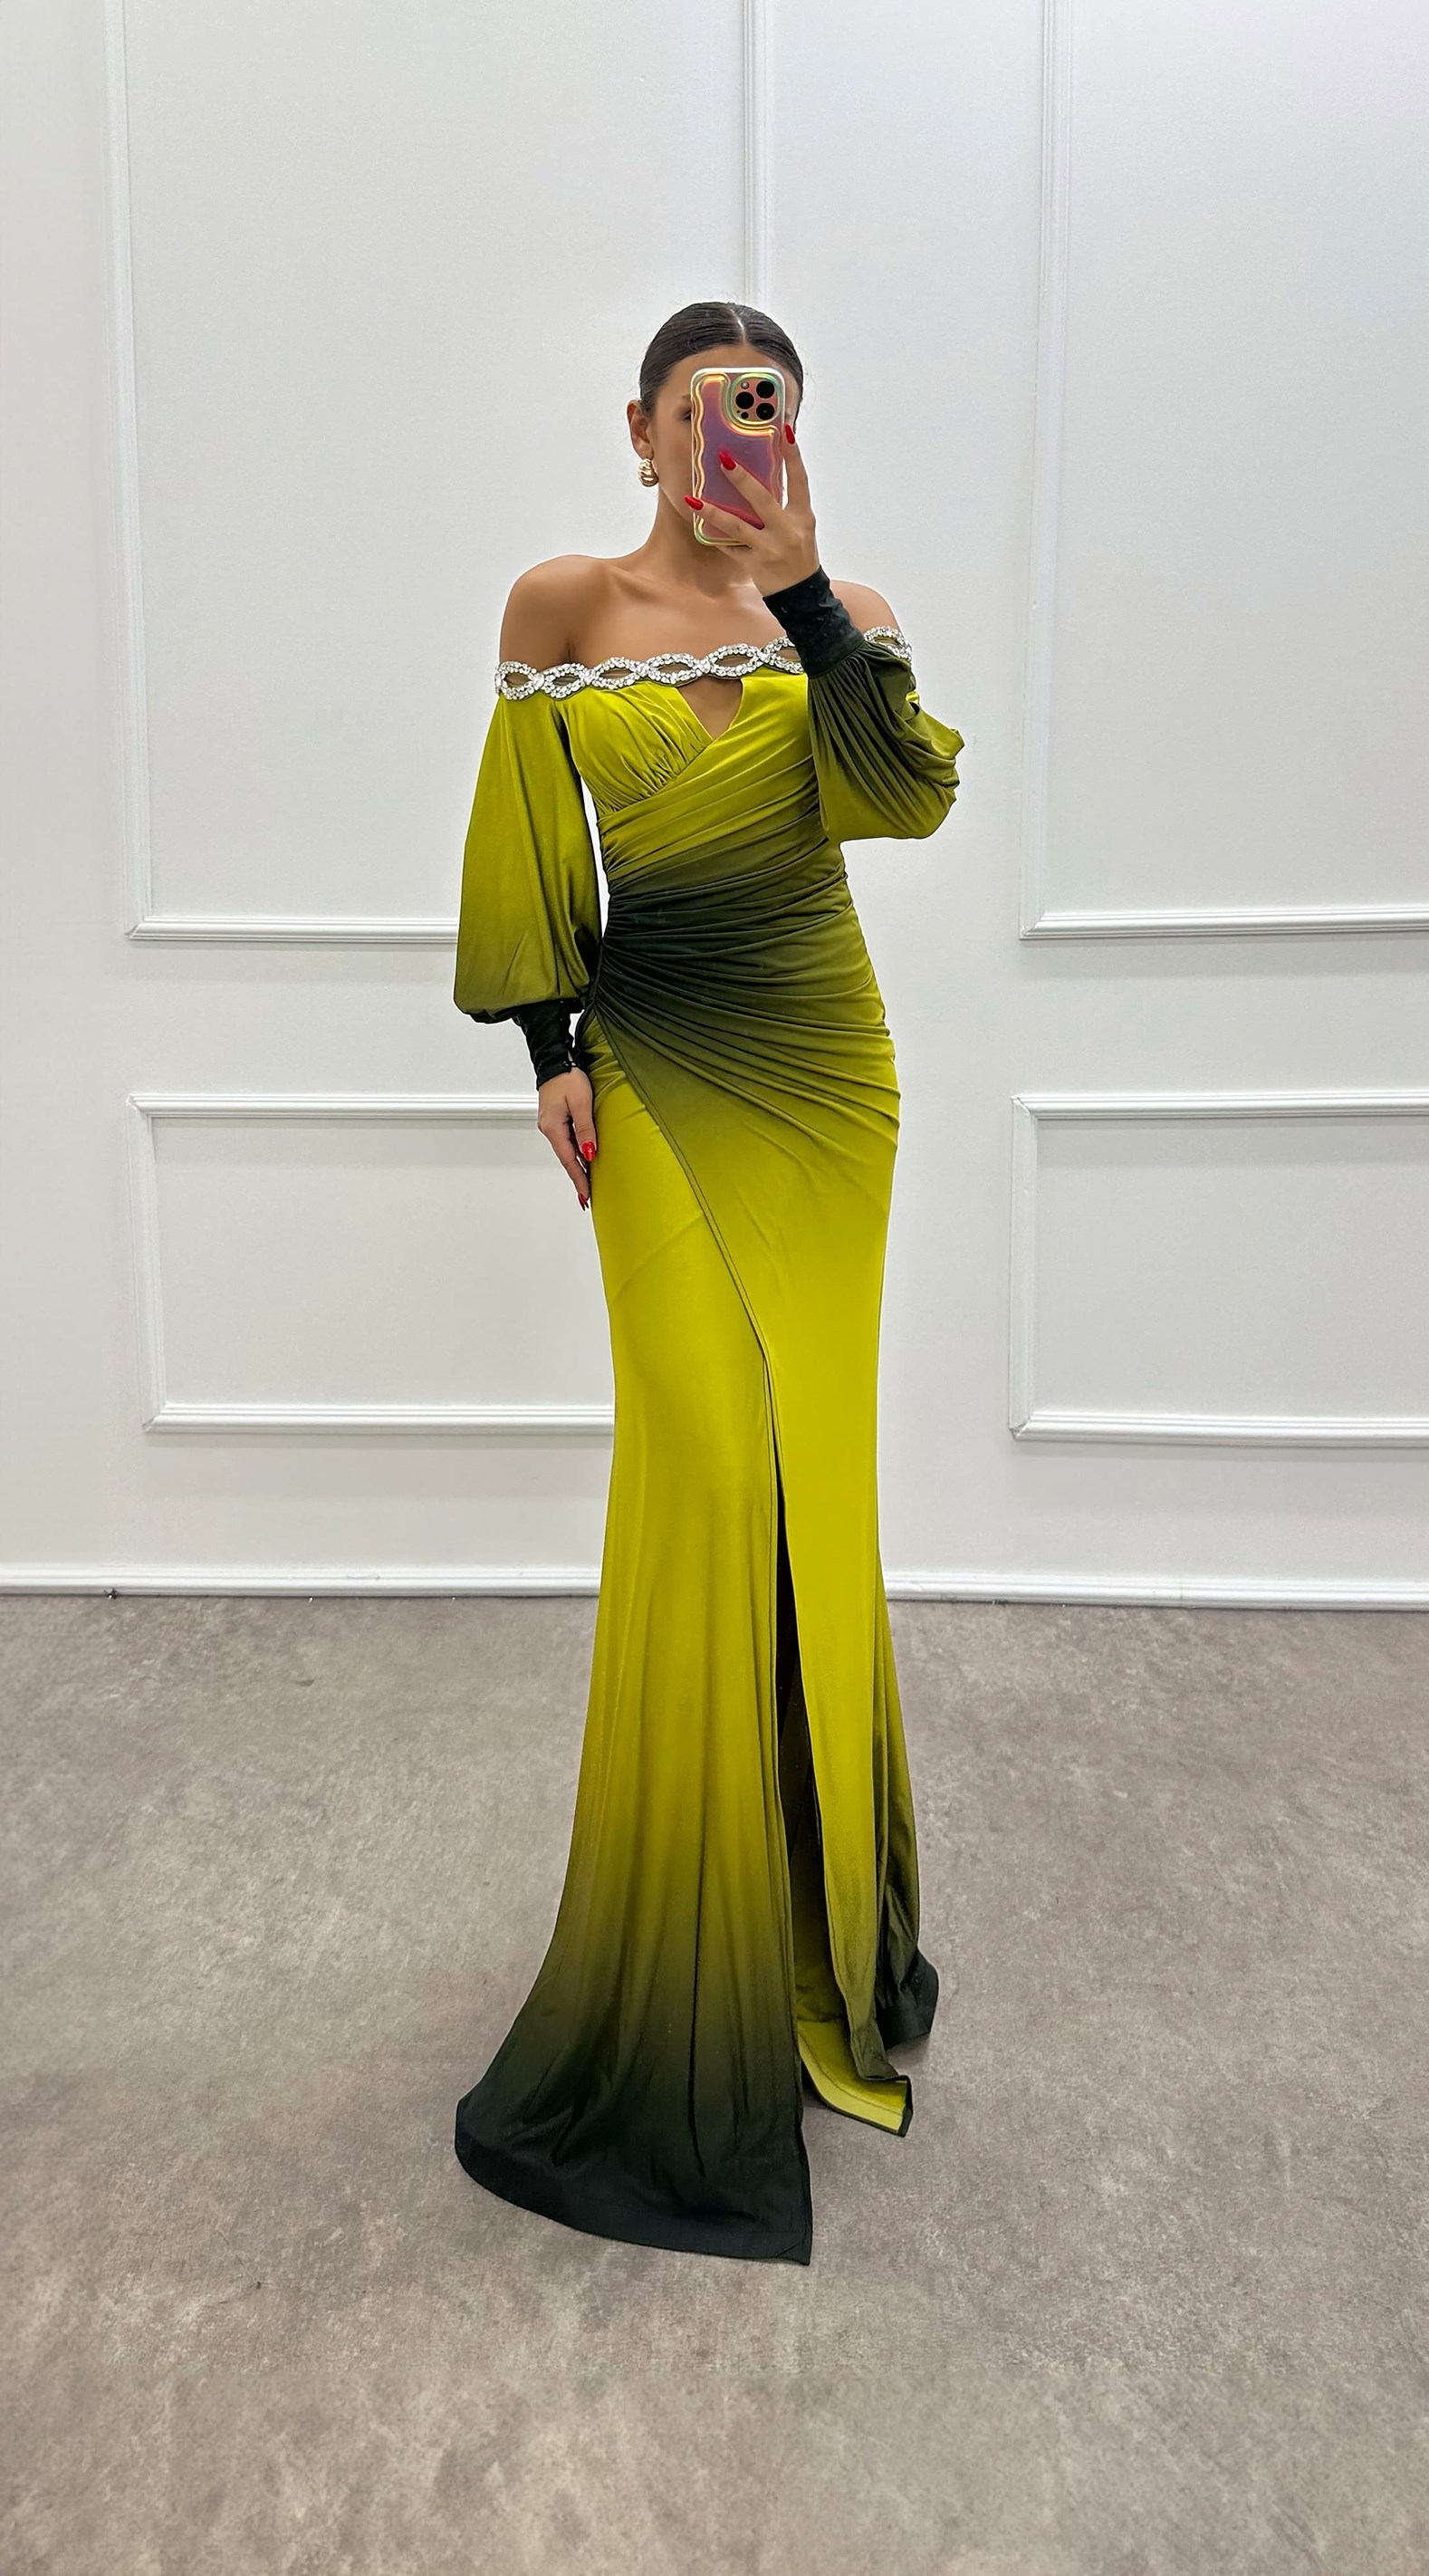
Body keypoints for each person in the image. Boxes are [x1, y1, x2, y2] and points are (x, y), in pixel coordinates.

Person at [451, 299, 964, 2265]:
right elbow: (524, 838)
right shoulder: (562, 604)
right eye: (702, 410)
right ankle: (685, 1939)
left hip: (824, 1073)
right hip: (654, 1058)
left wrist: (809, 592)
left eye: (766, 413)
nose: (730, 439)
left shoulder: (845, 610)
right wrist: (550, 1049)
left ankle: (823, 1921)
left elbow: (899, 800)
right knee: (697, 1452)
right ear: (642, 428)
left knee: (806, 1473)